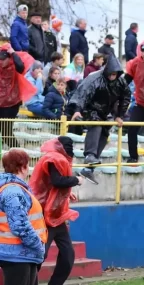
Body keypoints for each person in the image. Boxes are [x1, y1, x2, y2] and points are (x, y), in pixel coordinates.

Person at [68, 57, 131, 184]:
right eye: (111, 74)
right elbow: (83, 93)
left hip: (106, 110)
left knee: (104, 133)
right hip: (90, 107)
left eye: (115, 74)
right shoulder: (94, 78)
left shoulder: (121, 82)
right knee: (96, 124)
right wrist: (78, 109)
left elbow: (126, 98)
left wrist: (119, 115)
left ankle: (89, 168)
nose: (113, 76)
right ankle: (89, 155)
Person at [29, 137, 83, 285]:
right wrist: (76, 180)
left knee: (67, 255)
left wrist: (67, 193)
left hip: (55, 214)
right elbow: (57, 181)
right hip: (43, 214)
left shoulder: (57, 157)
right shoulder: (54, 158)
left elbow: (53, 183)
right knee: (40, 254)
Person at [0, 149, 47, 285]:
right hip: (18, 255)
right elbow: (20, 226)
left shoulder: (16, 189)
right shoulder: (13, 191)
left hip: (23, 254)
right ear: (24, 166)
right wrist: (38, 246)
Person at [0, 43, 37, 148]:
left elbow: (21, 67)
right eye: (0, 59)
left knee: (6, 132)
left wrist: (13, 53)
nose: (1, 61)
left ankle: (18, 154)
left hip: (12, 103)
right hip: (0, 101)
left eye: (3, 59)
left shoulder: (14, 65)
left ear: (9, 58)